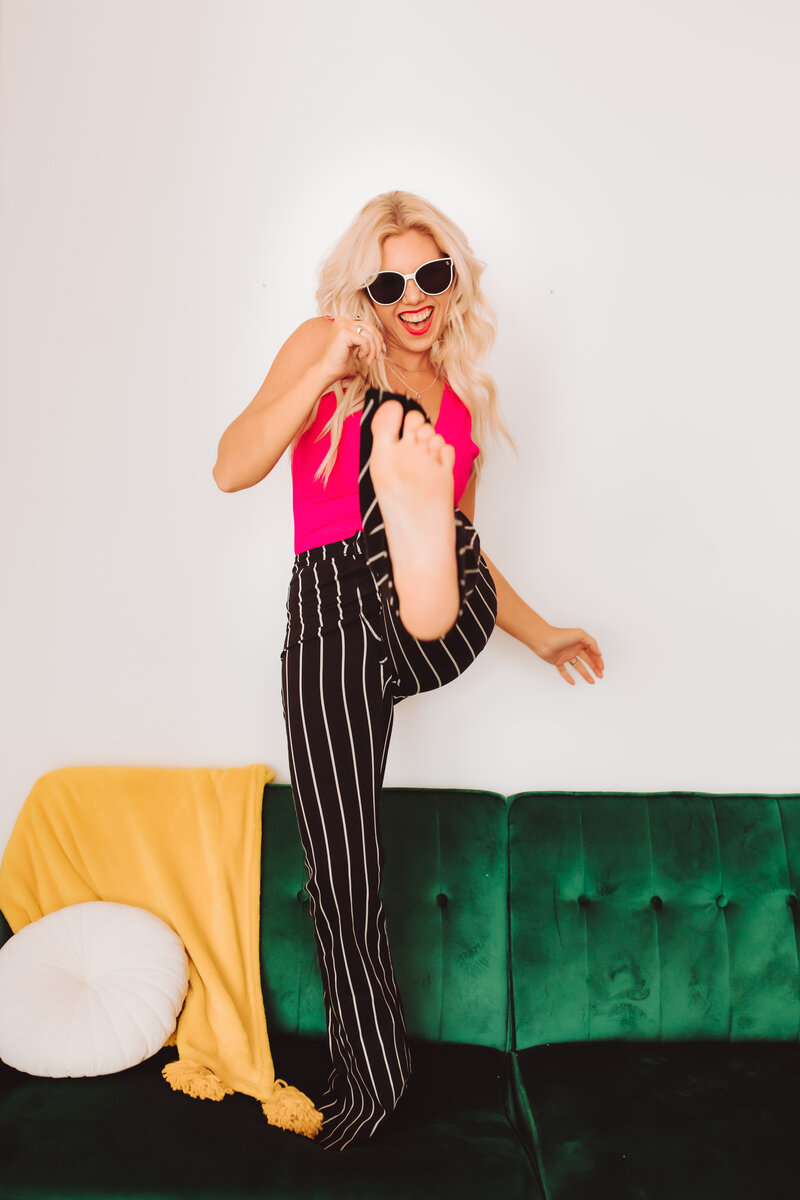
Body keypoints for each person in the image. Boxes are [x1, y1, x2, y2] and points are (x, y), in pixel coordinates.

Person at [212, 190, 605, 1151]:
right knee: (341, 863)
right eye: (390, 282)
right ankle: (371, 1084)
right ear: (365, 292)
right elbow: (231, 465)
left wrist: (544, 631)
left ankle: (414, 529)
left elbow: (482, 554)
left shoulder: (460, 408)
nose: (415, 297)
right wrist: (328, 377)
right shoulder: (324, 345)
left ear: (454, 280)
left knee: (445, 554)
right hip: (334, 616)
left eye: (433, 275)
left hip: (442, 604)